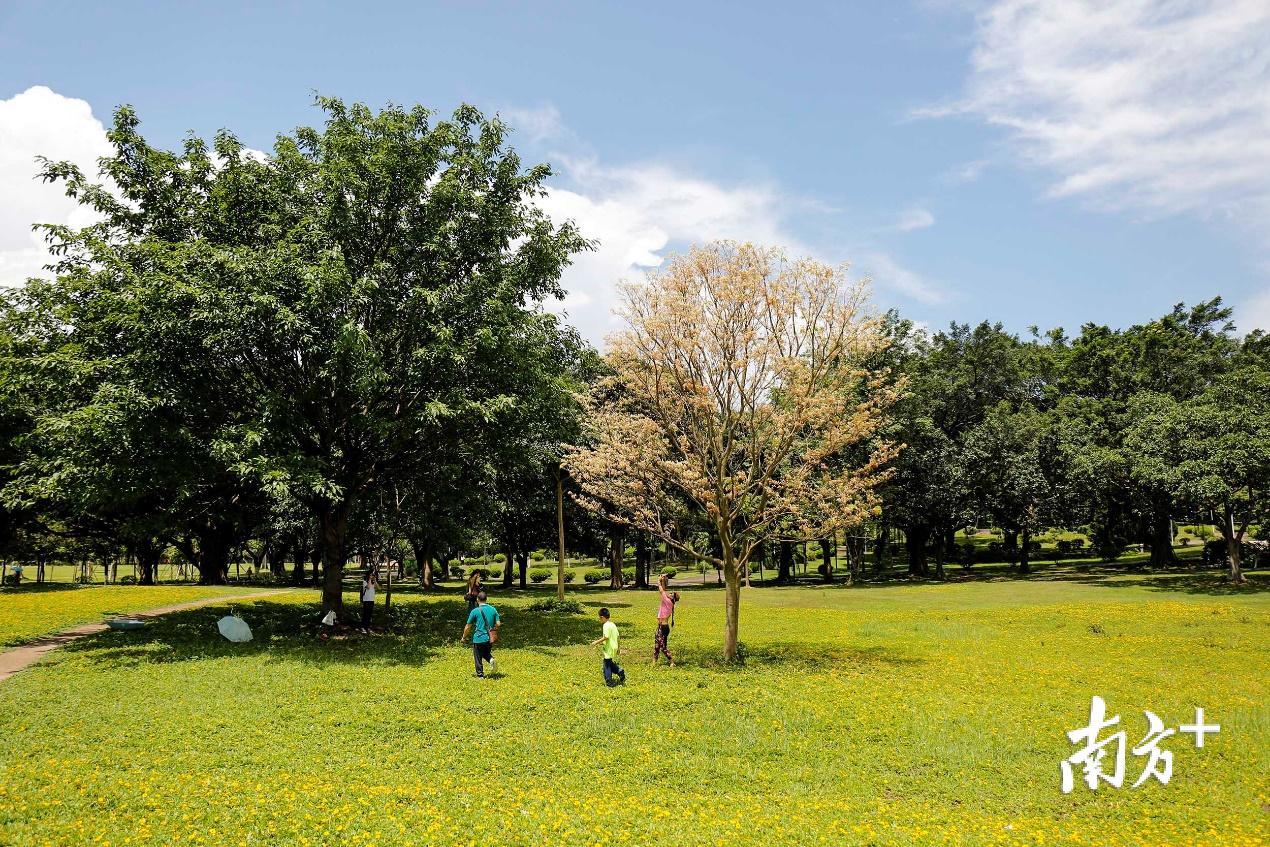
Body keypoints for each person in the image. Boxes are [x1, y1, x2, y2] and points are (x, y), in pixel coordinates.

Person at [460, 590, 500, 678]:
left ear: (477, 599)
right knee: (485, 653)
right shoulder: (493, 609)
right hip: (489, 638)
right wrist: (494, 629)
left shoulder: (475, 611)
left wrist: (464, 637)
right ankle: (491, 659)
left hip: (478, 638)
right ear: (486, 599)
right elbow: (498, 623)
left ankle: (480, 675)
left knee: (478, 657)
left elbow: (468, 626)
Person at [591, 607, 626, 687]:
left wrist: (596, 642)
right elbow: (618, 636)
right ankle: (619, 671)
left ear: (602, 617)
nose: (600, 620)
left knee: (606, 665)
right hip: (614, 647)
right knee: (609, 663)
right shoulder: (612, 624)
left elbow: (606, 637)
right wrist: (618, 648)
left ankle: (609, 682)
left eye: (600, 618)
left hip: (609, 648)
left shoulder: (606, 625)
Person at [652, 574, 678, 667]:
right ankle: (654, 663)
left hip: (663, 628)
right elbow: (664, 590)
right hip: (661, 626)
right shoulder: (669, 601)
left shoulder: (667, 601)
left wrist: (658, 581)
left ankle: (672, 662)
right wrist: (663, 580)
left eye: (671, 594)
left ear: (672, 598)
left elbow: (661, 590)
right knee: (656, 645)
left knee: (662, 647)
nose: (669, 593)